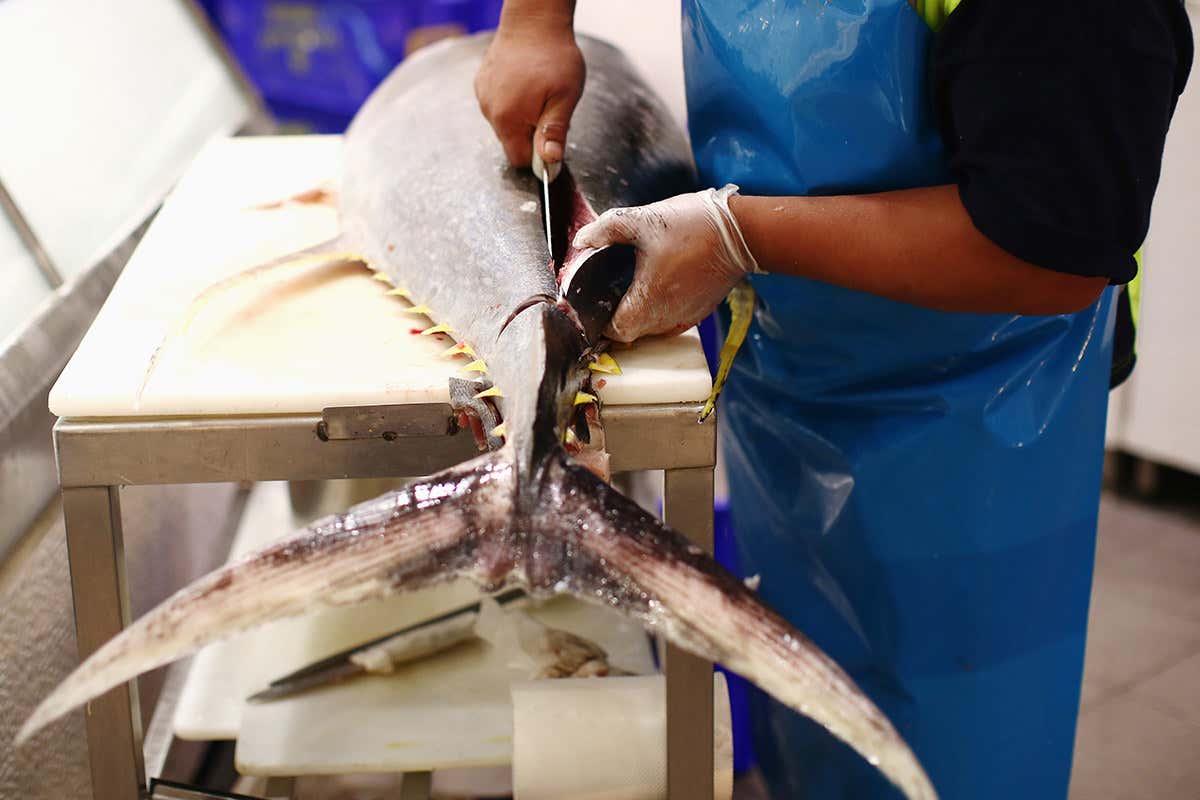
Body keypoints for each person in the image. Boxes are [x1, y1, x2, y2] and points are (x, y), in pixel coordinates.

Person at [474, 1, 1193, 797]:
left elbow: (1048, 251)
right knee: (808, 704)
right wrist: (535, 21)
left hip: (979, 417)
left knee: (943, 747)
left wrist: (737, 237)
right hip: (791, 368)